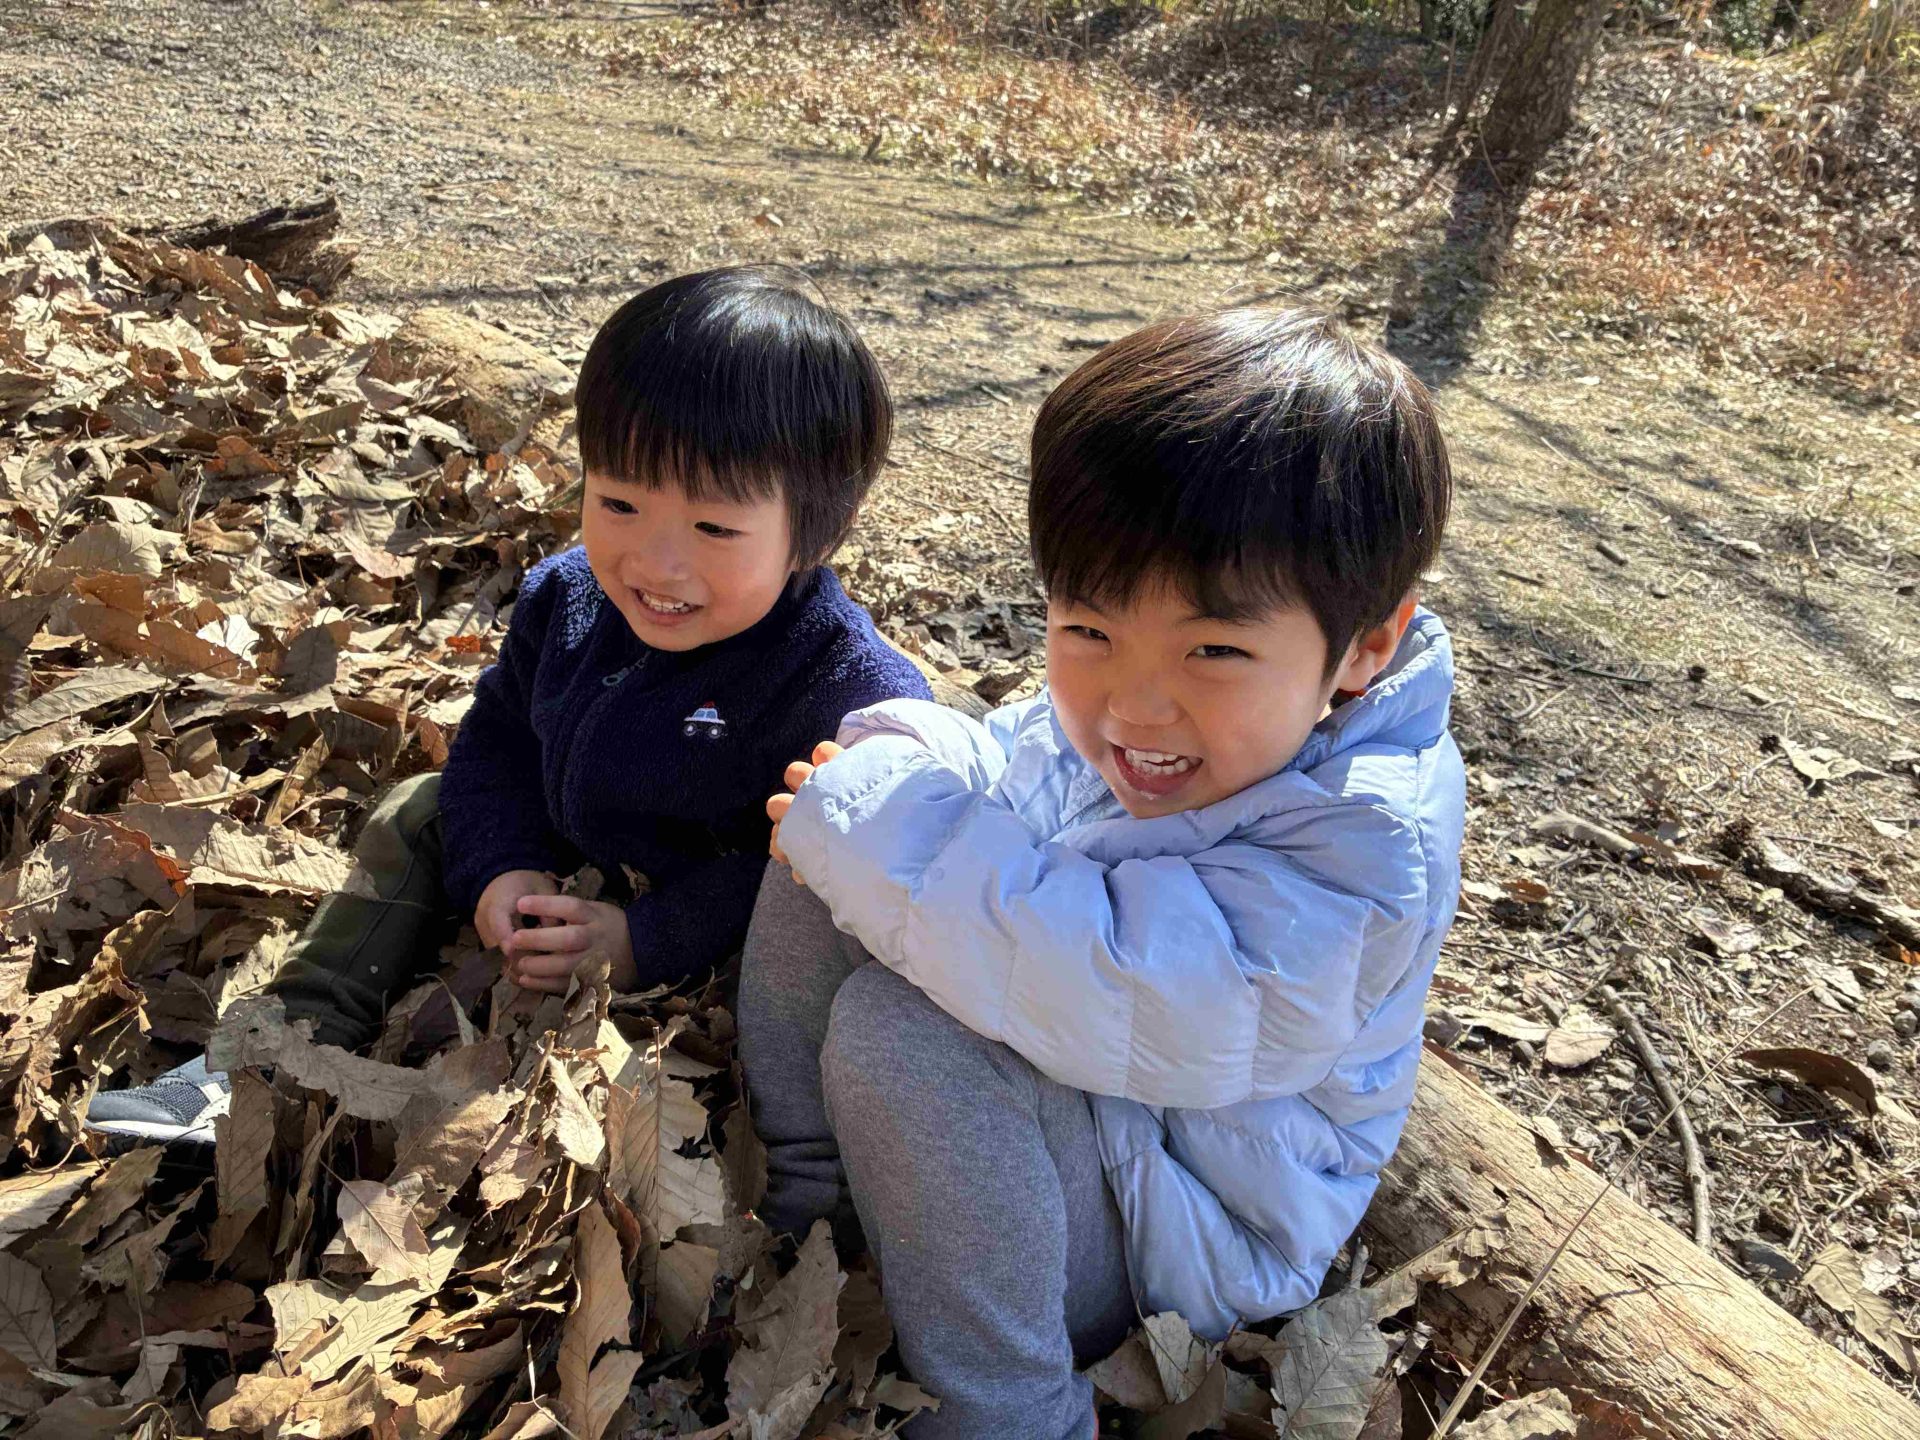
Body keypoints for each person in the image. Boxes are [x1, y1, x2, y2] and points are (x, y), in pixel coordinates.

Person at [739, 307, 1464, 1440]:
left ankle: (1010, 1412)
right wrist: (900, 763)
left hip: (1168, 1225)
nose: (1135, 704)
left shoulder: (1364, 844)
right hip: (1085, 1115)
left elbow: (1134, 995)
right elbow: (1014, 766)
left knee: (901, 1022)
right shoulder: (1159, 729)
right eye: (1087, 630)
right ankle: (807, 1202)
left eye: (1213, 649)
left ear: (1365, 648)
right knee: (827, 849)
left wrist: (890, 838)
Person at [87, 266, 931, 1146]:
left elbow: (809, 882)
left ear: (821, 531)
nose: (654, 562)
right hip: (564, 862)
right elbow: (496, 743)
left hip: (703, 942)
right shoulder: (567, 599)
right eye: (619, 503)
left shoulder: (847, 692)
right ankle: (273, 1054)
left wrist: (647, 939)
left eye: (714, 528)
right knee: (418, 809)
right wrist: (502, 865)